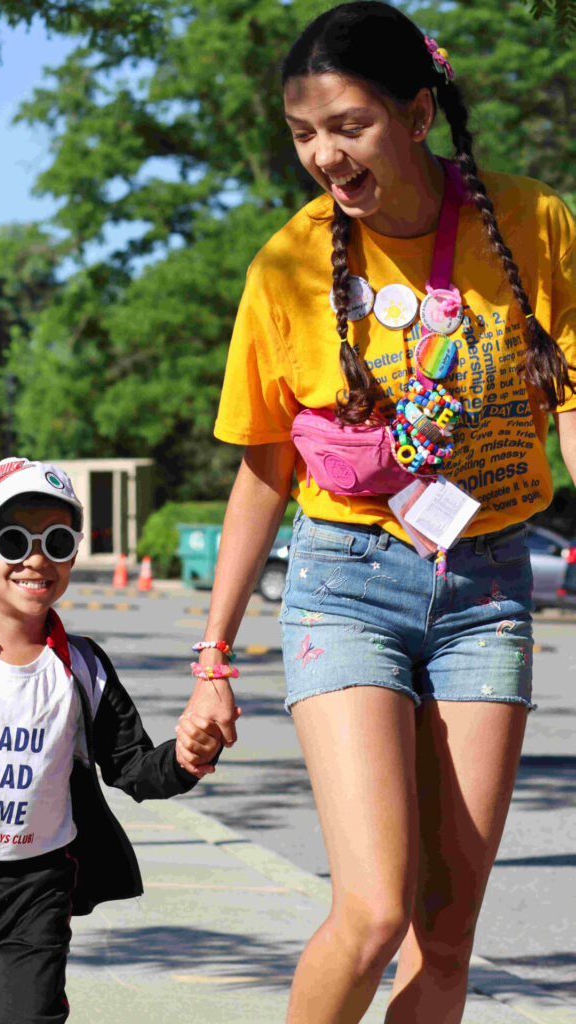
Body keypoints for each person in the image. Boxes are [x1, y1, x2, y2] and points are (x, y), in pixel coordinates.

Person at [174, 3, 576, 1022]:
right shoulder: (286, 267)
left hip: (485, 585)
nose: (322, 154)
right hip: (343, 581)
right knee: (369, 912)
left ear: (416, 110)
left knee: (443, 943)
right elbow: (262, 474)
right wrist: (213, 659)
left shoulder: (532, 225)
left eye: (346, 124)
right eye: (303, 132)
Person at [0, 457, 221, 1024]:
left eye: (58, 540)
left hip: (38, 888)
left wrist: (189, 756)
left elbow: (134, 767)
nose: (37, 559)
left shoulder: (84, 668)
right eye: (15, 540)